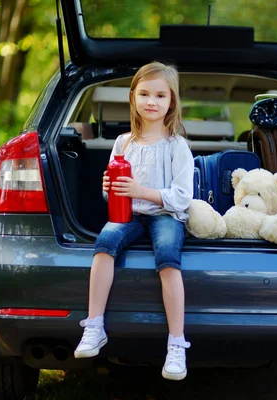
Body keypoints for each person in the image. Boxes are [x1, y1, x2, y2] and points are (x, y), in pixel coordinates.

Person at [73, 61, 194, 381]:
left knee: (168, 256)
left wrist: (142, 190)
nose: (151, 101)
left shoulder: (176, 145)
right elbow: (116, 194)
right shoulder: (123, 143)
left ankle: (177, 344)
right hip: (129, 214)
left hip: (166, 214)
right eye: (144, 94)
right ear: (133, 98)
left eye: (159, 95)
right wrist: (108, 190)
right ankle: (94, 326)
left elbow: (183, 197)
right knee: (104, 242)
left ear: (171, 102)